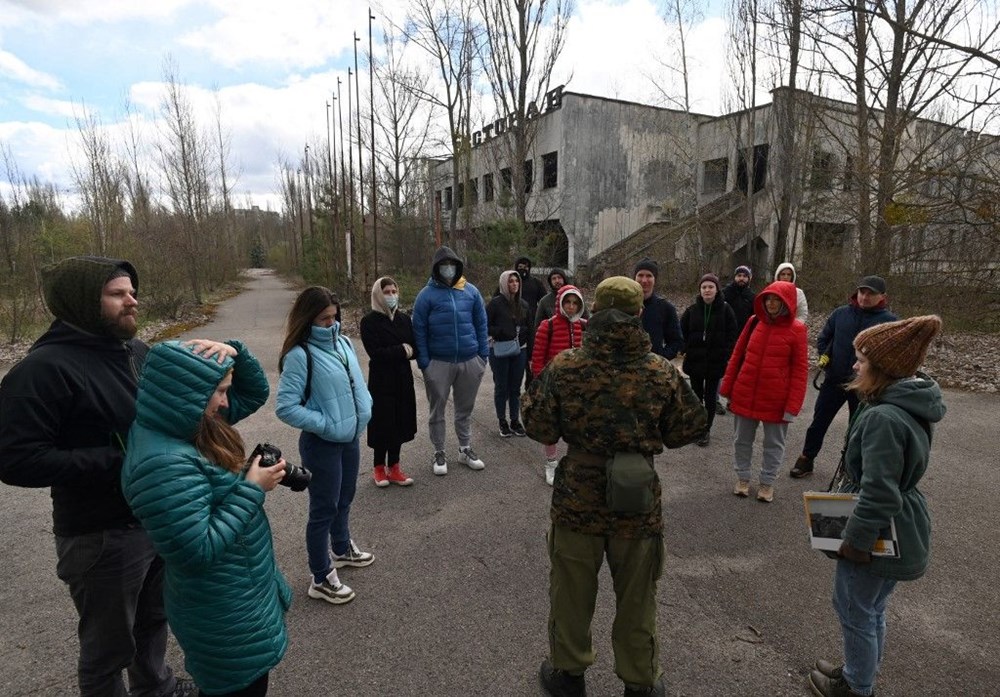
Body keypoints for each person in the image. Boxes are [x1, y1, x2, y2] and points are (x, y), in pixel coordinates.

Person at [0, 256, 196, 697]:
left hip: (153, 517)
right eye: (117, 294)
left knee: (152, 620)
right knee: (107, 650)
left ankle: (156, 688)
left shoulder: (135, 351)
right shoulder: (43, 369)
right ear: (83, 301)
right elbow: (15, 460)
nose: (133, 301)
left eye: (132, 291)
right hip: (101, 535)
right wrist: (117, 459)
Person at [522, 276, 707, 697]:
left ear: (594, 313)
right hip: (637, 500)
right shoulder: (660, 370)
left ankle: (568, 674)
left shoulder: (566, 366)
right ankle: (640, 680)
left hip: (576, 500)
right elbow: (691, 426)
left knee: (571, 591)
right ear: (639, 313)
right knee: (638, 596)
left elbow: (538, 425)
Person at [121, 340, 289, 697]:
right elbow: (196, 550)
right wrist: (252, 487)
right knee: (238, 687)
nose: (226, 402)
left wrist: (233, 351)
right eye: (221, 392)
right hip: (222, 611)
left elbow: (254, 392)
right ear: (189, 394)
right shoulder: (162, 464)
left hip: (235, 592)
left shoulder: (185, 423)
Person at [808, 316, 945, 697]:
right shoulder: (902, 401)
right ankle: (858, 670)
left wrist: (857, 541)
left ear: (883, 369)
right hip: (900, 521)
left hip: (880, 528)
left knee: (855, 609)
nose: (854, 366)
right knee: (871, 608)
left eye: (862, 360)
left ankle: (856, 686)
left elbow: (879, 493)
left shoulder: (884, 417)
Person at [276, 286, 374, 605]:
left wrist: (365, 407)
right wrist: (327, 423)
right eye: (323, 319)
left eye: (334, 316)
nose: (331, 323)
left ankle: (341, 548)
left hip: (350, 438)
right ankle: (320, 576)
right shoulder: (299, 355)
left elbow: (355, 383)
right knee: (323, 510)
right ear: (308, 319)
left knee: (344, 498)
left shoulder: (344, 343)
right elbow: (286, 407)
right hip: (322, 445)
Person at [790, 276, 897, 479]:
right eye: (862, 292)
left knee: (857, 429)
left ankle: (849, 468)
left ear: (882, 297)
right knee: (819, 422)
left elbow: (891, 355)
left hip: (865, 386)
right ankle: (806, 458)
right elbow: (824, 338)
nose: (865, 297)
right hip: (834, 380)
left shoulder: (889, 322)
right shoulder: (841, 313)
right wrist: (826, 357)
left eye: (871, 294)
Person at [720, 280, 808, 502]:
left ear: (787, 302)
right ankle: (742, 478)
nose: (771, 303)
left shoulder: (797, 330)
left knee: (773, 445)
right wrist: (727, 387)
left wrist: (793, 406)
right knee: (741, 440)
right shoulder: (753, 322)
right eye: (768, 298)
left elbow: (800, 371)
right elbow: (737, 355)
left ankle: (767, 483)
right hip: (745, 393)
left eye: (777, 300)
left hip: (776, 400)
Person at [412, 246, 489, 475]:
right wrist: (425, 363)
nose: (448, 268)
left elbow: (481, 324)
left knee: (465, 409)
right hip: (438, 362)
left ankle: (465, 449)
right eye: (444, 265)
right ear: (436, 268)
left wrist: (482, 356)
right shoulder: (426, 295)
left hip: (470, 359)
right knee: (437, 410)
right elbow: (419, 330)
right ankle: (439, 452)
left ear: (458, 266)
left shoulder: (471, 291)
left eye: (452, 264)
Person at [359, 277, 417, 487]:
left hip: (403, 378)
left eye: (394, 291)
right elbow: (376, 353)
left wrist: (402, 350)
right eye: (386, 292)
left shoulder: (404, 320)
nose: (391, 296)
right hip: (382, 381)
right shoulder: (369, 321)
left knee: (400, 421)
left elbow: (415, 349)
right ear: (377, 295)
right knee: (383, 423)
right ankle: (378, 467)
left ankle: (394, 466)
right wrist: (402, 349)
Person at [529, 284, 588, 485]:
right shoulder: (547, 326)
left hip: (574, 386)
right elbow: (537, 358)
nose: (571, 306)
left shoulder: (579, 325)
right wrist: (540, 384)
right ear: (560, 303)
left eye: (575, 303)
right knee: (551, 427)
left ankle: (573, 463)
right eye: (567, 302)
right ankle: (551, 464)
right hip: (551, 385)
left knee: (574, 426)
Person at [679, 273, 738, 447]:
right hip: (695, 360)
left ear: (717, 289)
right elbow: (682, 332)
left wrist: (726, 354)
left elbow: (732, 335)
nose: (707, 290)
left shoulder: (726, 310)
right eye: (704, 287)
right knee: (696, 396)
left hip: (715, 361)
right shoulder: (691, 310)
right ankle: (696, 427)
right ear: (700, 290)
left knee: (711, 397)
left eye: (711, 287)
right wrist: (685, 348)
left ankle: (706, 429)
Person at [487, 270, 532, 437]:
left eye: (516, 281)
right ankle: (502, 421)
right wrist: (500, 331)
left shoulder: (524, 305)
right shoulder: (495, 304)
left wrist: (530, 352)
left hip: (520, 350)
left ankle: (514, 420)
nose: (514, 284)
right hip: (499, 350)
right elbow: (484, 325)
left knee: (515, 387)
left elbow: (530, 328)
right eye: (511, 281)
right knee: (501, 387)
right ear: (504, 284)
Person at [633, 258, 684, 360]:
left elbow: (676, 342)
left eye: (649, 276)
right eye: (640, 275)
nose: (644, 280)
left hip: (653, 367)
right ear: (634, 278)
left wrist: (660, 359)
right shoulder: (623, 305)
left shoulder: (666, 308)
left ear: (655, 279)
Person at [515, 256, 548, 386]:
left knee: (531, 363)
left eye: (526, 266)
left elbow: (545, 302)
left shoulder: (536, 283)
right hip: (513, 327)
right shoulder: (511, 282)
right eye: (520, 266)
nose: (523, 269)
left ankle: (530, 388)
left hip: (532, 327)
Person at [721, 265, 756, 331]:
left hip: (744, 331)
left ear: (749, 279)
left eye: (744, 276)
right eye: (739, 275)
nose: (741, 278)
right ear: (735, 277)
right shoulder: (725, 293)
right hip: (726, 331)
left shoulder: (752, 296)